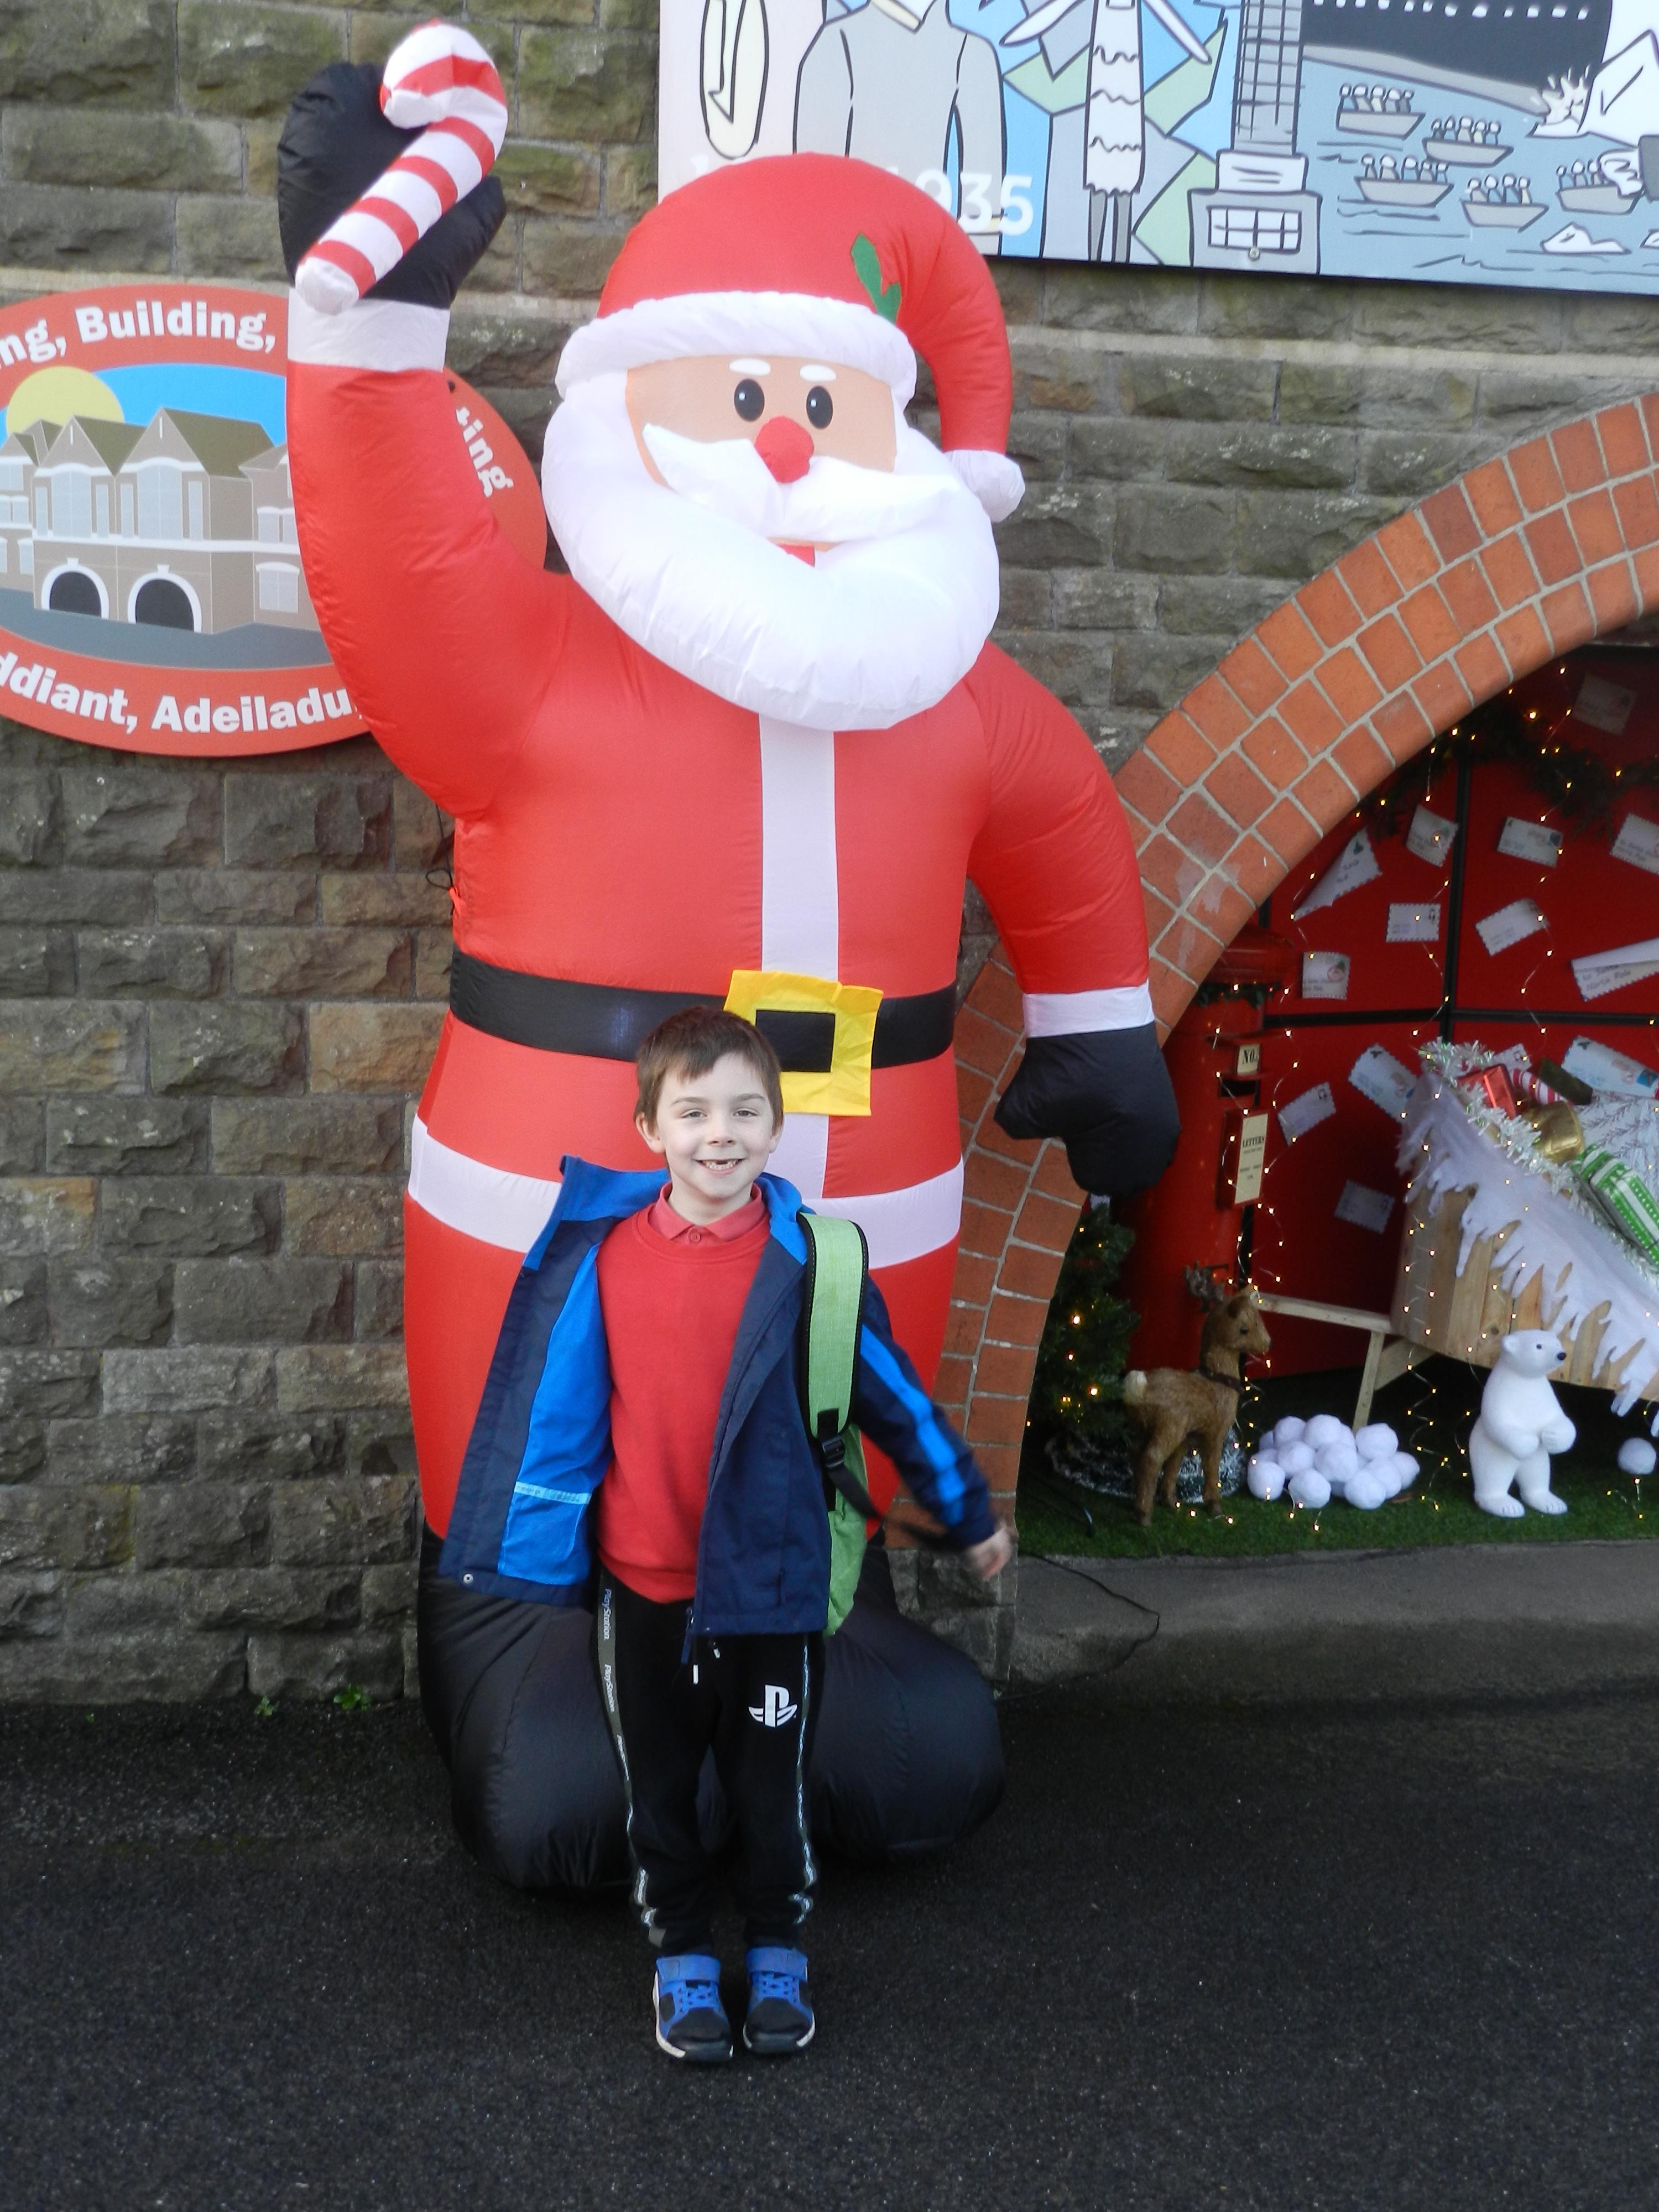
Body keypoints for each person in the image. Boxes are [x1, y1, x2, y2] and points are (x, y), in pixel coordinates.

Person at [441, 1006, 1012, 2061]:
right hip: (641, 1591)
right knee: (657, 1793)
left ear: (777, 1126)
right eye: (694, 1110)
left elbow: (895, 1399)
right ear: (649, 1126)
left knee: (770, 1790)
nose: (721, 1133)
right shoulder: (601, 1257)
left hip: (773, 1589)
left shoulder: (815, 1266)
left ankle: (779, 1949)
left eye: (747, 1111)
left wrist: (969, 1511)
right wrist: (526, 1553)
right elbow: (554, 1418)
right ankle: (684, 1959)